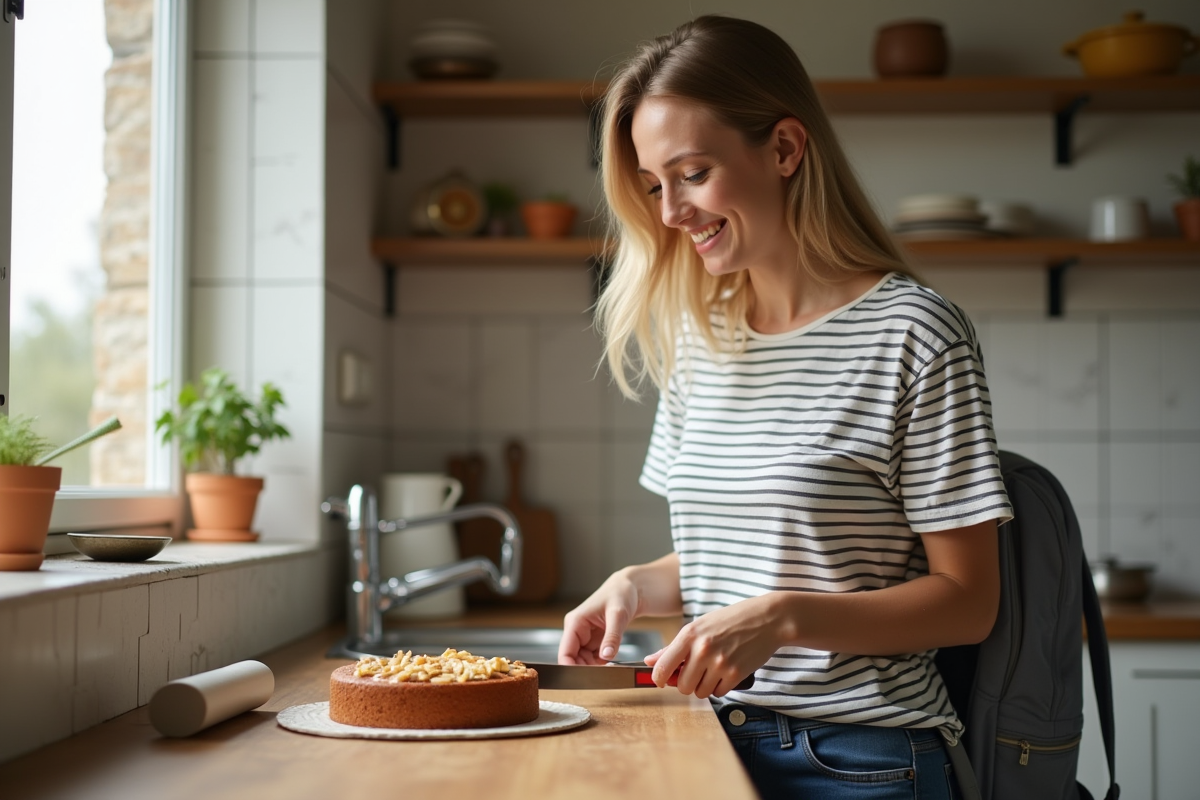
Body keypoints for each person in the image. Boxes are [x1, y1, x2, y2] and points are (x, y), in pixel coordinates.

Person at [558, 15, 1014, 799]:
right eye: (653, 185)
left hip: (862, 760)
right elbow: (740, 554)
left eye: (692, 173)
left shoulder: (914, 331)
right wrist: (635, 582)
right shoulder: (700, 337)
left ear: (784, 149)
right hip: (709, 741)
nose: (670, 212)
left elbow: (968, 602)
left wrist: (784, 618)